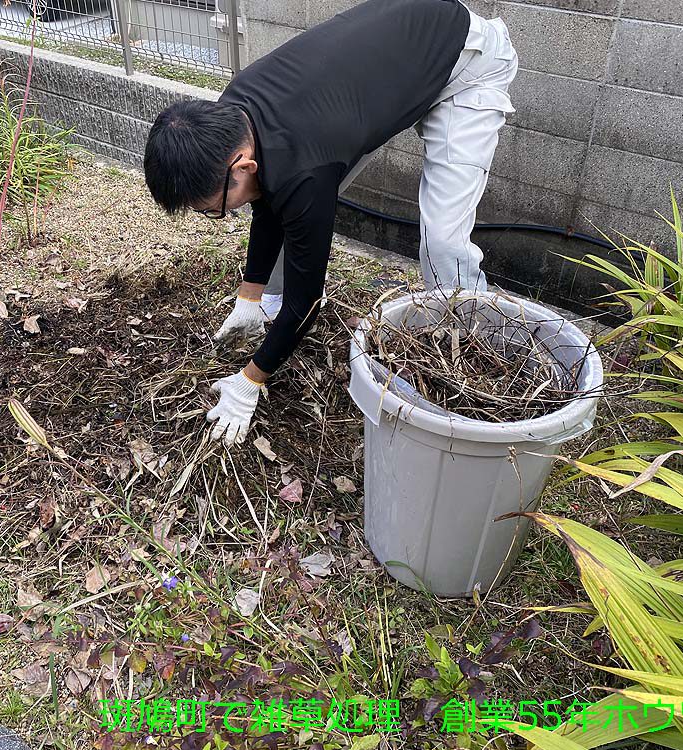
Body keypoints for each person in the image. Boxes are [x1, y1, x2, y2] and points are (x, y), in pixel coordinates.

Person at [143, 0, 518, 445]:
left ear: (241, 164)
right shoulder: (233, 113)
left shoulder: (304, 169)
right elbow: (267, 195)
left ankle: (471, 349)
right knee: (290, 206)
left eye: (214, 207)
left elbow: (310, 303)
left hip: (465, 63)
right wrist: (250, 293)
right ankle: (264, 309)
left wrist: (250, 382)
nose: (218, 214)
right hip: (405, 57)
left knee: (442, 242)